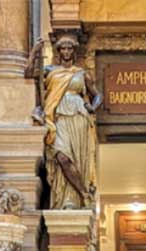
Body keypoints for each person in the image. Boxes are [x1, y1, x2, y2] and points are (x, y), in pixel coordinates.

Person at [27, 33, 99, 210]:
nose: (66, 52)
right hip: (58, 117)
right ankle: (84, 192)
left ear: (74, 52)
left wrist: (93, 107)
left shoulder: (81, 74)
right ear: (58, 52)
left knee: (77, 159)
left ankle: (74, 200)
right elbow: (29, 73)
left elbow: (97, 95)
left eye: (69, 49)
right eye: (63, 49)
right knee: (62, 157)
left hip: (79, 118)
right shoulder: (50, 71)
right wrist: (34, 53)